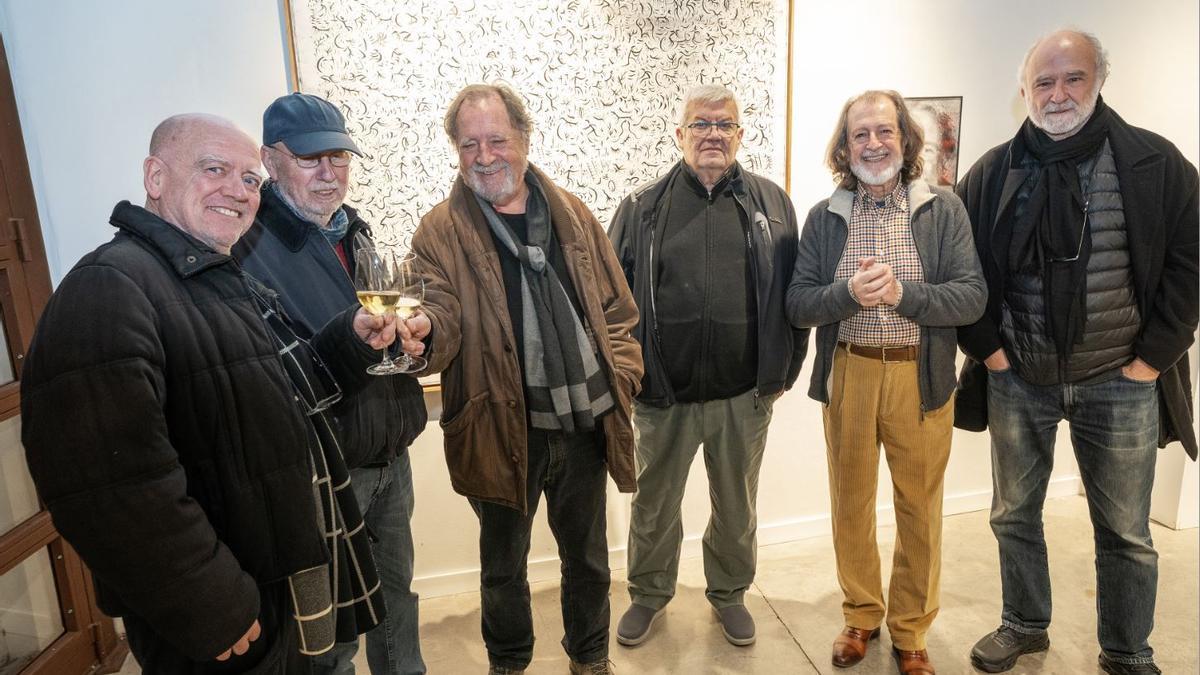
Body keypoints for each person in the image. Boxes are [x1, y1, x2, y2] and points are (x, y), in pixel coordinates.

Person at [20, 113, 405, 673]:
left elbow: (281, 396)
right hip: (220, 613)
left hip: (273, 584)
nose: (238, 191)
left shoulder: (216, 276)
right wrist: (207, 602)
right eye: (213, 169)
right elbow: (111, 489)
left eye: (250, 180)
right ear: (155, 177)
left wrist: (352, 341)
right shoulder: (109, 288)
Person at [954, 29, 1198, 675]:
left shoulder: (1157, 164)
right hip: (1018, 379)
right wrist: (991, 353)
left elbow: (1189, 267)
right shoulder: (990, 173)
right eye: (1044, 81)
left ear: (1098, 80)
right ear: (1025, 90)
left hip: (1120, 381)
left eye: (1073, 79)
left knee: (1126, 532)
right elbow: (962, 270)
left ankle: (1126, 650)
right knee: (1013, 513)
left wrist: (1151, 360)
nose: (1057, 94)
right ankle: (1024, 624)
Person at [408, 84, 642, 675]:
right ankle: (508, 664)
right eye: (469, 144)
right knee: (502, 566)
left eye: (496, 140)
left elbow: (616, 308)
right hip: (496, 425)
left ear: (524, 139)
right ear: (455, 150)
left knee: (587, 558)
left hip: (584, 420)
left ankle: (590, 658)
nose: (484, 156)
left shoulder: (573, 213)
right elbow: (440, 317)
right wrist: (421, 335)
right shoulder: (438, 231)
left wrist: (626, 378)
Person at [785, 90, 986, 675]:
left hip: (918, 376)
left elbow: (971, 297)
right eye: (860, 135)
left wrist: (906, 295)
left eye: (884, 132)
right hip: (849, 369)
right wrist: (846, 295)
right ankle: (861, 614)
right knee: (850, 502)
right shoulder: (826, 217)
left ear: (905, 139)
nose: (873, 144)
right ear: (845, 148)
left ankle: (911, 629)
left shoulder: (942, 209)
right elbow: (798, 304)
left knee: (919, 508)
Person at [234, 92, 429, 675]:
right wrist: (355, 335)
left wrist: (422, 334)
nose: (329, 173)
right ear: (271, 161)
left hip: (391, 460)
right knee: (334, 630)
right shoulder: (247, 247)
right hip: (324, 472)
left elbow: (388, 335)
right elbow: (273, 377)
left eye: (339, 158)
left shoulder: (355, 232)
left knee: (398, 603)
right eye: (310, 159)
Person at [607, 84, 807, 648]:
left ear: (741, 136)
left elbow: (795, 293)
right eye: (701, 124)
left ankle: (730, 593)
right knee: (653, 505)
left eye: (725, 124)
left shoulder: (772, 204)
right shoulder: (642, 208)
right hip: (662, 396)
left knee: (737, 506)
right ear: (680, 135)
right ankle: (648, 593)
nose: (713, 134)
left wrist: (782, 372)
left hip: (742, 396)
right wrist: (628, 377)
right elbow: (611, 303)